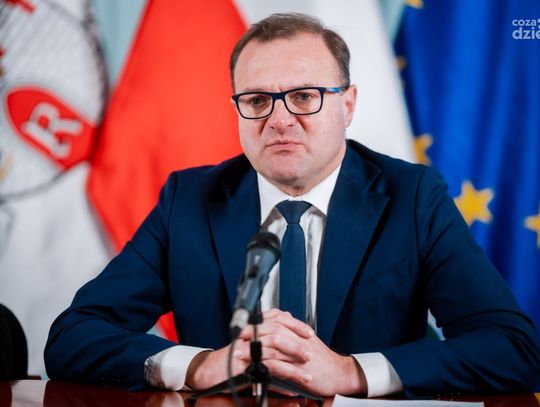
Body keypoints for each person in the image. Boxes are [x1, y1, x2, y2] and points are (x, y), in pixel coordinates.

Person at [45, 13, 540, 398]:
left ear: (348, 105)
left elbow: (511, 348)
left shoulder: (412, 196)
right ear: (238, 109)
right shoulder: (189, 200)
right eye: (257, 101)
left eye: (304, 97)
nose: (279, 120)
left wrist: (350, 373)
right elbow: (74, 336)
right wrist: (199, 365)